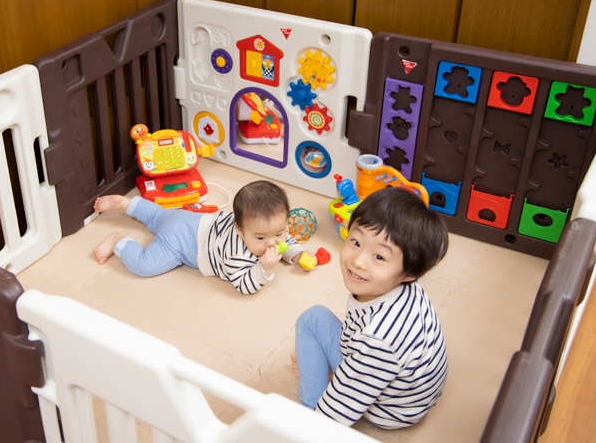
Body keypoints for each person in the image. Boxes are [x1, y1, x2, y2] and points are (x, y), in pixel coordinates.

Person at [291, 187, 449, 429]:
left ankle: (312, 405)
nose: (358, 261)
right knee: (314, 318)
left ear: (410, 271)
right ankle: (341, 375)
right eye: (355, 242)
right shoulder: (401, 284)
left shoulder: (379, 340)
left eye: (379, 257)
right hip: (406, 386)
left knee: (311, 322)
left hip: (390, 408)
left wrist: (310, 426)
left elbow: (331, 420)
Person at [93, 180, 312, 294]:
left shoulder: (262, 228)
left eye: (279, 233)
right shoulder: (237, 254)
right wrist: (265, 269)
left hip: (190, 219)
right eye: (261, 239)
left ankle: (126, 203)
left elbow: (286, 242)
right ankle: (117, 241)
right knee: (144, 265)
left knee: (157, 215)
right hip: (181, 243)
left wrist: (297, 254)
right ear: (239, 230)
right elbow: (244, 286)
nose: (273, 242)